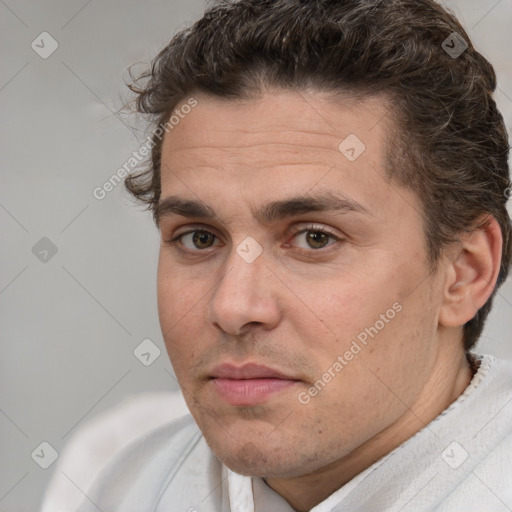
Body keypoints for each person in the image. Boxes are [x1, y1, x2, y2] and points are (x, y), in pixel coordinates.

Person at [76, 0, 512, 510]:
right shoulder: (122, 481)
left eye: (314, 238)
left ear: (464, 272)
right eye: (199, 237)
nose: (232, 308)